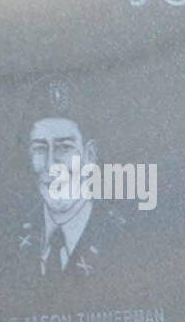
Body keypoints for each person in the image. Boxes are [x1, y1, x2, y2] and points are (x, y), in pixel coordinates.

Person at [17, 79, 125, 282]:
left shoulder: (124, 239)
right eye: (40, 148)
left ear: (90, 155)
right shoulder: (9, 238)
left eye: (64, 148)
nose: (51, 166)